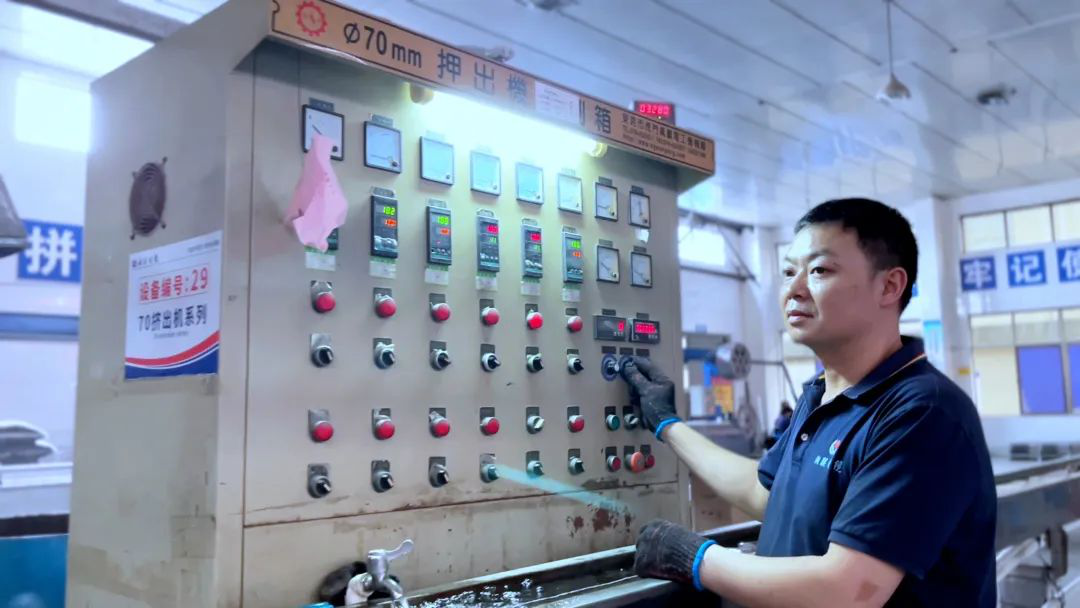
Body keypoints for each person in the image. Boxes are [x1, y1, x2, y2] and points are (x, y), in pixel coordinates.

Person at [621, 198, 996, 607]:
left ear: (889, 286)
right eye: (788, 272)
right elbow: (766, 493)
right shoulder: (821, 393)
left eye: (819, 270)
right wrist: (667, 425)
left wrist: (697, 558)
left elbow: (848, 593)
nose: (794, 290)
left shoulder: (922, 412)